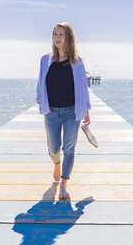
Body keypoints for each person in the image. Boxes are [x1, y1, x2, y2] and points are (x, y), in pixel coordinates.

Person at [35, 22, 91, 199]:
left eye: (61, 34)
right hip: (51, 111)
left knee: (69, 148)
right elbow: (40, 82)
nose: (57, 38)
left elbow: (83, 87)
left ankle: (64, 184)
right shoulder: (45, 59)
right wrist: (39, 100)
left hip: (71, 112)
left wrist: (87, 110)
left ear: (68, 38)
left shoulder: (77, 62)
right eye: (55, 34)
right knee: (53, 149)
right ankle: (56, 164)